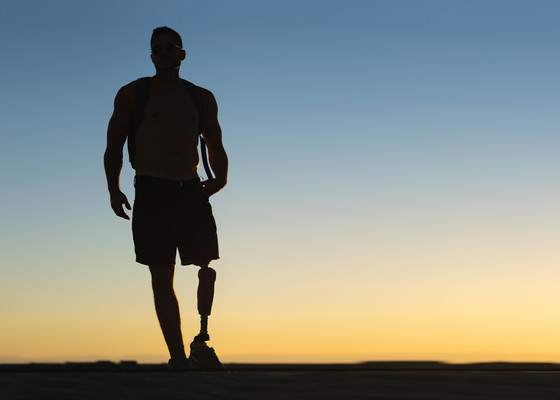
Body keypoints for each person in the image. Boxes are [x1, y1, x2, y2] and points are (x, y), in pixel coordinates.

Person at [103, 27, 228, 370]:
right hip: (151, 190)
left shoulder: (201, 97)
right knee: (162, 276)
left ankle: (202, 337)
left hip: (190, 190)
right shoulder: (133, 93)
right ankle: (178, 358)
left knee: (205, 265)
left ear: (182, 54)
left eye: (169, 48)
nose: (163, 53)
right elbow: (113, 144)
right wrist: (113, 189)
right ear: (151, 56)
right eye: (156, 49)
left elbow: (214, 142)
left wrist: (221, 178)